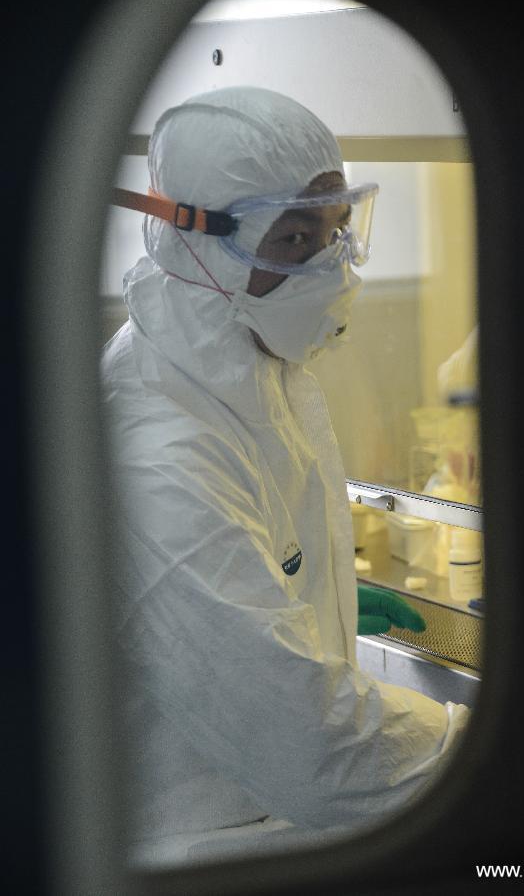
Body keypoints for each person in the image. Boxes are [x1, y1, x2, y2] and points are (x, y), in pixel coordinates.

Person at [102, 86, 470, 864]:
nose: (333, 267)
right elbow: (313, 748)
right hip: (206, 850)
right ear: (194, 242)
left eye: (340, 229)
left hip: (273, 825)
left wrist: (322, 594)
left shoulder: (248, 372)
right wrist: (494, 740)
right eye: (296, 237)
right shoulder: (156, 453)